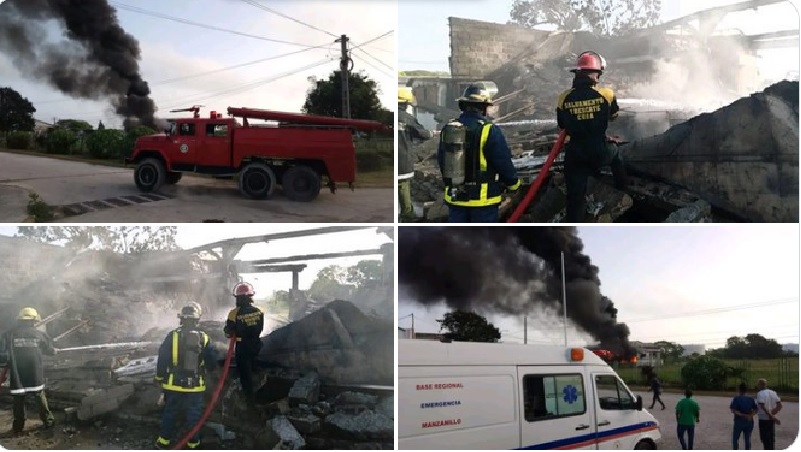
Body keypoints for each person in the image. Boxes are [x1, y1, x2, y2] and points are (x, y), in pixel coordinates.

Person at [556, 51, 629, 222]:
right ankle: (623, 192)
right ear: (596, 74)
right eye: (598, 74)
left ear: (577, 74)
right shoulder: (607, 94)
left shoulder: (563, 97)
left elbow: (562, 125)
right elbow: (613, 116)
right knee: (616, 155)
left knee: (575, 199)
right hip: (599, 151)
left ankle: (575, 222)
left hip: (575, 154)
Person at [438, 84, 520, 222]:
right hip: (483, 201)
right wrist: (514, 184)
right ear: (483, 107)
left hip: (456, 197)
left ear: (462, 105)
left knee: (456, 240)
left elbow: (442, 160)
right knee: (481, 240)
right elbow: (502, 161)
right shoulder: (489, 130)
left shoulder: (449, 129)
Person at [154, 303, 218, 450]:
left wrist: (159, 377)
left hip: (173, 384)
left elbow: (162, 358)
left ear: (181, 319)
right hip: (195, 386)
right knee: (194, 415)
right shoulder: (204, 337)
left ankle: (163, 442)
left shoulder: (172, 336)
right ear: (197, 320)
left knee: (170, 412)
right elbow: (212, 362)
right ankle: (193, 443)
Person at [1, 307, 56, 436]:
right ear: (33, 320)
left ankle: (18, 427)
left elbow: (2, 355)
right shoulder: (39, 334)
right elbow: (50, 350)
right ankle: (48, 422)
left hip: (17, 375)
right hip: (34, 374)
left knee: (18, 400)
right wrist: (53, 351)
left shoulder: (9, 334)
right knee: (39, 397)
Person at [224, 282, 264, 408]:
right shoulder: (258, 311)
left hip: (242, 348)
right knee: (255, 369)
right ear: (250, 296)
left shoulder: (234, 313)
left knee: (245, 377)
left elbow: (229, 333)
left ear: (237, 298)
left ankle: (250, 404)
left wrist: (228, 331)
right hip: (257, 345)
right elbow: (260, 328)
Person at [398, 87, 432, 222]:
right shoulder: (407, 118)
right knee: (403, 185)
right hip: (402, 156)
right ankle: (407, 214)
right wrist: (432, 133)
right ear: (406, 103)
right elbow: (422, 134)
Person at [755, 378, 783, 450]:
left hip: (763, 419)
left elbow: (763, 407)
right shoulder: (773, 393)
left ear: (760, 385)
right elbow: (780, 405)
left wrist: (772, 416)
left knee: (765, 439)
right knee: (771, 439)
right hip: (771, 420)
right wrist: (774, 413)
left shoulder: (760, 393)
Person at [731, 382, 758, 450]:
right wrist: (750, 415)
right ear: (746, 390)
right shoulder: (751, 399)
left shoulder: (736, 398)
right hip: (749, 420)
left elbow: (734, 410)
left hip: (739, 420)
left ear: (739, 389)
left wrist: (743, 415)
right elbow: (756, 409)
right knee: (747, 439)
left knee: (735, 438)